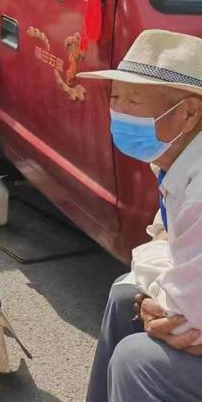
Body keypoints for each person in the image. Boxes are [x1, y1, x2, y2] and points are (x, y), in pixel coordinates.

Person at [80, 30, 202, 402]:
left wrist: (159, 304)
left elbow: (184, 319)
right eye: (116, 97)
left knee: (137, 361)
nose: (120, 112)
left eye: (134, 100)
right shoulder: (176, 163)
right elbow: (163, 242)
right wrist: (159, 300)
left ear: (189, 113)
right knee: (124, 295)